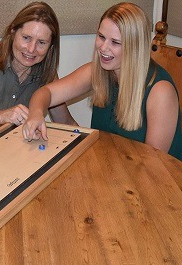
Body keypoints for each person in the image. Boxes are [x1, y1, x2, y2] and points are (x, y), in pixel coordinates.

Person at [22, 2, 182, 160]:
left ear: (135, 47)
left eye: (115, 42)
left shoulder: (160, 91)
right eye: (101, 37)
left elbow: (153, 163)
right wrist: (36, 114)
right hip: (113, 167)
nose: (103, 47)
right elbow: (46, 92)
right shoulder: (98, 71)